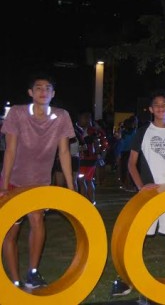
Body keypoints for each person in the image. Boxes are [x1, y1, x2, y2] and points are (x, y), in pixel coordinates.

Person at [111, 91, 165, 297]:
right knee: (137, 237)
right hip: (149, 194)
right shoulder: (142, 131)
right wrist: (140, 186)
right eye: (156, 105)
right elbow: (131, 163)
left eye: (164, 104)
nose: (160, 108)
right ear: (150, 109)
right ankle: (126, 278)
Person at [0, 73, 75, 289]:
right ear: (31, 93)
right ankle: (15, 280)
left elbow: (64, 153)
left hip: (40, 182)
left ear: (53, 93)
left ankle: (33, 273)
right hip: (14, 180)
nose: (43, 92)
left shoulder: (61, 116)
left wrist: (70, 187)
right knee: (11, 230)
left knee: (37, 221)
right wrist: (4, 185)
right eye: (38, 88)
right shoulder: (17, 113)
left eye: (47, 88)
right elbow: (10, 150)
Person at [75, 112, 109, 204]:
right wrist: (99, 155)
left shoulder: (82, 131)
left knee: (81, 181)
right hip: (92, 160)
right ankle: (92, 201)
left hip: (83, 160)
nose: (80, 121)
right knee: (89, 180)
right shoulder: (96, 131)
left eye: (82, 118)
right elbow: (102, 143)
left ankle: (85, 203)